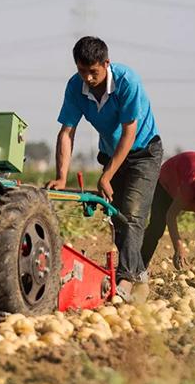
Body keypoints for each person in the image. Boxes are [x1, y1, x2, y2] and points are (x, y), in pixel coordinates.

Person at [46, 36, 163, 302]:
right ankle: (139, 274)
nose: (87, 78)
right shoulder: (75, 87)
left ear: (106, 63)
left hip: (144, 152)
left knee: (133, 215)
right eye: (81, 70)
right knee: (117, 216)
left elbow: (129, 133)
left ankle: (124, 281)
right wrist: (61, 177)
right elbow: (67, 131)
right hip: (111, 153)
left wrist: (107, 176)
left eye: (93, 71)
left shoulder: (126, 81)